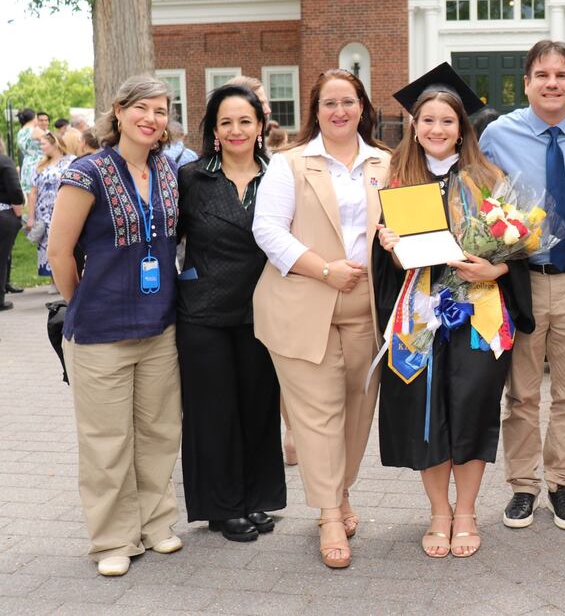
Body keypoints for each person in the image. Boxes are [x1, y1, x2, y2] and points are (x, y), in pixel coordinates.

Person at [374, 63, 534, 559]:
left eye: (447, 121)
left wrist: (496, 272)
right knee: (427, 412)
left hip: (477, 316)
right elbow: (391, 261)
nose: (437, 129)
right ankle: (438, 512)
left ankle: (465, 511)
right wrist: (388, 244)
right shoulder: (400, 179)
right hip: (420, 315)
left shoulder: (489, 177)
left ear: (462, 128)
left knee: (471, 408)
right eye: (428, 120)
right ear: (414, 126)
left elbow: (517, 251)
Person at [252, 68, 389, 569]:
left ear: (362, 107)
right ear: (315, 110)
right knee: (317, 414)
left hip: (366, 309)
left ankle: (341, 490)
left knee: (356, 409)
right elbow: (267, 229)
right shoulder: (290, 164)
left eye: (348, 101)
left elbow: (400, 225)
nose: (339, 111)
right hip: (302, 299)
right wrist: (324, 269)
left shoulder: (386, 164)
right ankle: (330, 514)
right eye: (329, 103)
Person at [47, 75, 183, 577]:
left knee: (158, 432)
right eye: (142, 108)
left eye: (162, 111)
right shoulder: (88, 172)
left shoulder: (167, 172)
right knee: (106, 440)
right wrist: (82, 300)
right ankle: (113, 538)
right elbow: (59, 251)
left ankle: (155, 523)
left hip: (159, 326)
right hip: (100, 331)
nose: (152, 119)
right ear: (119, 112)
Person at [480, 40, 565, 530]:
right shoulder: (499, 135)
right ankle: (522, 487)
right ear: (527, 83)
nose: (552, 83)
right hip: (521, 279)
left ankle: (561, 484)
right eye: (542, 74)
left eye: (561, 75)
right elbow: (473, 193)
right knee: (520, 392)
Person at [176, 84, 286, 543]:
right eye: (226, 122)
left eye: (245, 120)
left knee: (258, 408)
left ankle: (255, 498)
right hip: (204, 310)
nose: (236, 130)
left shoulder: (280, 176)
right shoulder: (192, 178)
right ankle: (222, 507)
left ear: (261, 126)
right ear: (214, 131)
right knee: (212, 412)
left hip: (263, 308)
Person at [27, 131, 75, 276]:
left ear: (54, 143)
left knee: (64, 245)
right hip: (44, 213)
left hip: (64, 210)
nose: (41, 147)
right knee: (47, 246)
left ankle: (66, 277)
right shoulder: (41, 164)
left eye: (43, 144)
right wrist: (31, 216)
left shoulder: (71, 161)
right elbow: (33, 191)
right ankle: (52, 278)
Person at [0, 138, 25, 310]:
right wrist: (18, 209)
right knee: (1, 257)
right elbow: (15, 190)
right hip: (3, 213)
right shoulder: (4, 161)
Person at [16, 108, 44, 200]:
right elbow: (53, 143)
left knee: (30, 194)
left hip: (27, 163)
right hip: (39, 163)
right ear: (34, 117)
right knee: (40, 196)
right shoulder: (36, 131)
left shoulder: (21, 132)